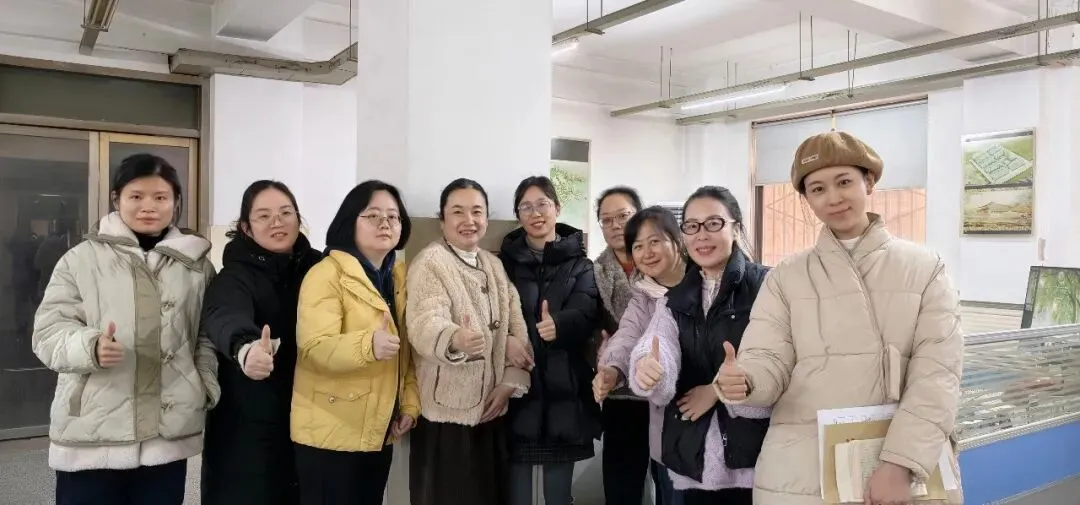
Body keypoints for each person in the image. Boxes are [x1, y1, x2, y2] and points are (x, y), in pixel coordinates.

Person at [714, 131, 964, 505]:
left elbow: (937, 375)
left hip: (899, 458)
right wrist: (746, 380)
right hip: (803, 464)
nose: (833, 198)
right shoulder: (786, 276)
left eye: (844, 182)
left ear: (869, 182)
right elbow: (767, 357)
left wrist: (901, 463)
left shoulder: (925, 268)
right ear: (807, 199)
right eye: (817, 189)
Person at [31, 153, 219, 505]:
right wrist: (89, 347)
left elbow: (205, 338)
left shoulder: (196, 267)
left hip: (166, 436)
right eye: (136, 196)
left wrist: (203, 385)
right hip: (93, 434)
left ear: (176, 202)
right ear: (117, 199)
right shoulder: (80, 259)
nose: (149, 206)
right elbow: (48, 332)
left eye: (160, 197)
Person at [630, 186, 770, 505]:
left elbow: (776, 358)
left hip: (757, 454)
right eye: (692, 226)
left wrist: (718, 389)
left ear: (736, 228)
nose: (702, 235)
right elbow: (659, 344)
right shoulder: (674, 299)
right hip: (695, 457)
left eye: (714, 223)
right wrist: (649, 367)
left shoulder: (767, 285)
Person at [290, 180, 421, 504]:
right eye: (372, 215)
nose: (385, 223)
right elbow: (314, 347)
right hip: (330, 434)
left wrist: (408, 405)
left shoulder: (400, 277)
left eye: (393, 216)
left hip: (377, 431)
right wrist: (367, 346)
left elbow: (408, 354)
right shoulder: (326, 274)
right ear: (349, 223)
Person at [405, 178, 532, 505]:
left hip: (492, 409)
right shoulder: (430, 262)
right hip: (447, 416)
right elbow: (423, 323)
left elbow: (516, 323)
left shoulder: (494, 264)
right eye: (458, 212)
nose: (469, 220)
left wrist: (510, 382)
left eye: (477, 211)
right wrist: (453, 338)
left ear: (487, 217)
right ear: (442, 220)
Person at [200, 180, 322, 505]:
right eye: (264, 216)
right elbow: (224, 315)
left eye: (285, 213)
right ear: (246, 227)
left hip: (310, 418)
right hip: (248, 428)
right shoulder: (234, 276)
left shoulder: (319, 269)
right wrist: (246, 349)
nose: (277, 222)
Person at [499, 176, 601, 505]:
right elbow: (491, 315)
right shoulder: (502, 264)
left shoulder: (581, 265)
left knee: (558, 496)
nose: (536, 213)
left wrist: (560, 325)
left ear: (557, 207)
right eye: (526, 207)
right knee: (515, 495)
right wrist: (506, 341)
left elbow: (587, 311)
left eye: (542, 204)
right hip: (518, 393)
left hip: (565, 392)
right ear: (518, 215)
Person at [592, 206, 688, 505]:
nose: (647, 253)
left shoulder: (702, 282)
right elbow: (628, 335)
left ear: (677, 240)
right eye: (638, 246)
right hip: (666, 418)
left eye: (655, 241)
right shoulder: (644, 293)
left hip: (704, 413)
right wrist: (611, 370)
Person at [591, 186, 661, 505]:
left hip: (666, 388)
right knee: (623, 484)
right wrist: (599, 349)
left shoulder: (662, 262)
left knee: (670, 481)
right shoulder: (594, 271)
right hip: (620, 391)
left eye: (623, 216)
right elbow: (589, 324)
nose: (616, 225)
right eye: (607, 220)